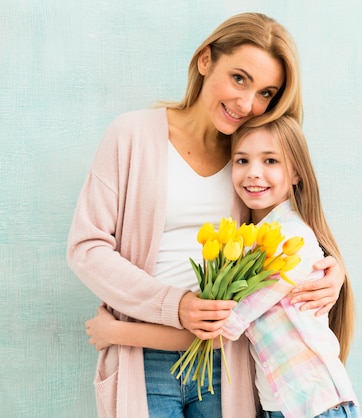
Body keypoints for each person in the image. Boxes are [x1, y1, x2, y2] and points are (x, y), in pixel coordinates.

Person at [68, 12, 345, 418]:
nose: (247, 103)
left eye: (266, 93)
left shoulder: (250, 158)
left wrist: (329, 271)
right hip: (141, 356)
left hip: (228, 364)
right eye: (239, 78)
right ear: (205, 61)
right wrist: (175, 304)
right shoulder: (132, 136)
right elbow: (87, 248)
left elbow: (285, 233)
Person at [86, 115, 359, 418]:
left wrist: (114, 332)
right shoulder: (255, 240)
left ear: (297, 173)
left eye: (270, 161)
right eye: (241, 161)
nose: (253, 173)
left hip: (312, 407)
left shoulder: (284, 242)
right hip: (282, 407)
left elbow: (217, 333)